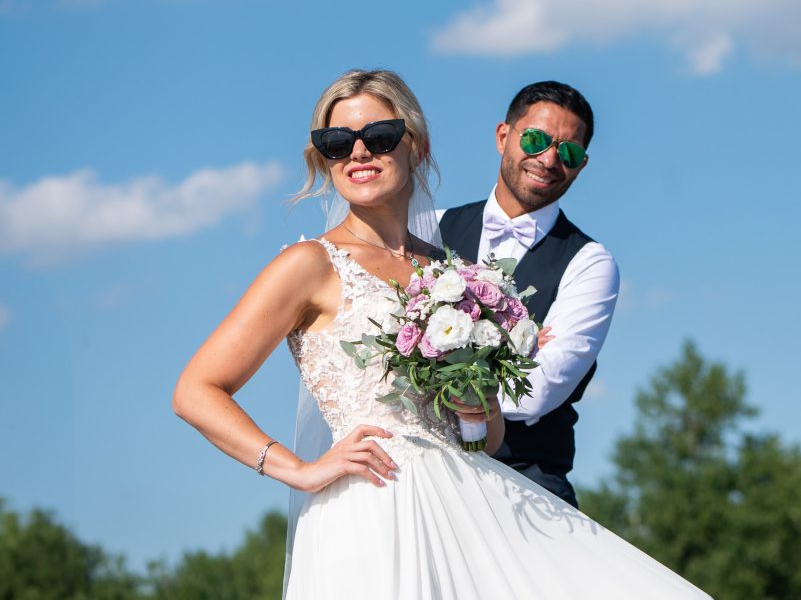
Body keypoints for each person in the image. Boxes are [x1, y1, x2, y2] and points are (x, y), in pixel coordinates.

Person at [173, 69, 710, 599]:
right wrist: (298, 470)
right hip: (370, 511)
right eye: (337, 143)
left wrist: (480, 401)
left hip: (470, 502)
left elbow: (483, 437)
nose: (359, 153)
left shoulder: (449, 271)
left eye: (379, 137)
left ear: (417, 146)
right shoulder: (308, 264)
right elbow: (196, 390)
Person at [438, 80, 616, 508]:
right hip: (430, 476)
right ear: (504, 137)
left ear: (581, 165)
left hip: (527, 487)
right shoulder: (430, 228)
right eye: (535, 139)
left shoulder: (591, 263)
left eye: (568, 152)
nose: (549, 159)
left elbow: (537, 392)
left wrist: (437, 369)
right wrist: (518, 357)